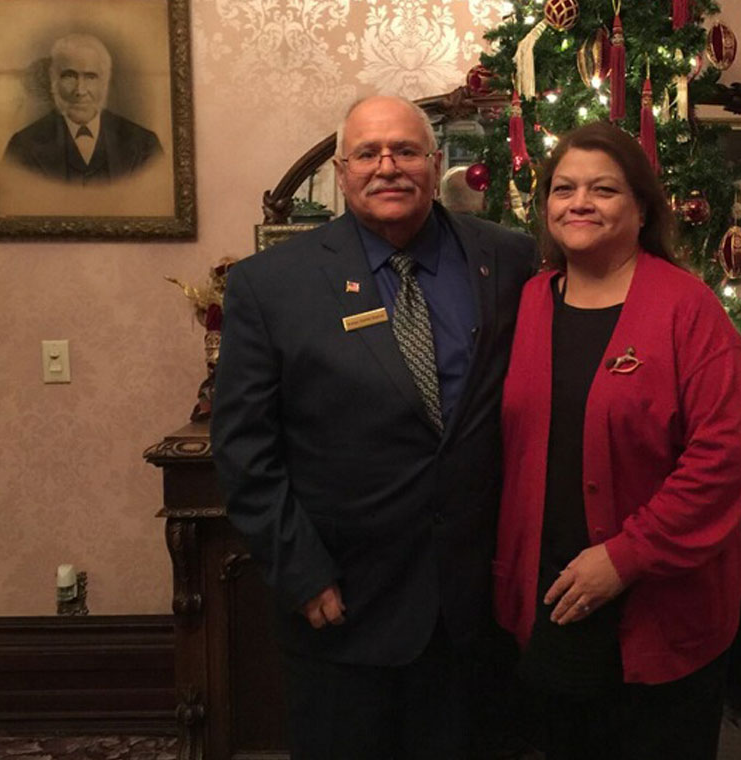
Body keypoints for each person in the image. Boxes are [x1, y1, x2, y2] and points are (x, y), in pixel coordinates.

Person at [210, 94, 535, 759]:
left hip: (475, 608)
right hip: (342, 605)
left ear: (435, 164)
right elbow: (245, 448)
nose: (388, 167)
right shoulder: (270, 284)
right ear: (342, 171)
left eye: (406, 151)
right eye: (368, 153)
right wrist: (302, 572)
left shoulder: (509, 259)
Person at [494, 121, 741, 760]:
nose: (579, 203)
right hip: (549, 599)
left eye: (604, 189)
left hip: (658, 606)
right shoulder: (526, 303)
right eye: (564, 189)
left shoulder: (687, 307)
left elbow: (724, 458)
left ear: (641, 208)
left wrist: (625, 557)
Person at [1, 33, 163, 184]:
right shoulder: (22, 147)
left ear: (104, 82)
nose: (80, 91)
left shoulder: (144, 145)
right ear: (53, 80)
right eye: (69, 76)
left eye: (91, 77)